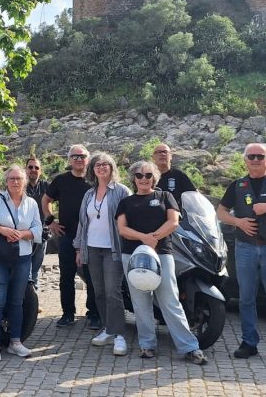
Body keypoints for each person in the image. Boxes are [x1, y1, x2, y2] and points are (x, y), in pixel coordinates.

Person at [116, 160, 207, 364]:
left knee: (170, 301)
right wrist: (144, 238)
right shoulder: (126, 202)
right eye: (139, 175)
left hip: (162, 254)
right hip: (132, 256)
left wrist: (154, 238)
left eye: (148, 175)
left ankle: (189, 347)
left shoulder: (165, 196)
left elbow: (173, 222)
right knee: (141, 303)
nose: (144, 179)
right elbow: (122, 229)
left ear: (154, 178)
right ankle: (147, 345)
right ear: (133, 178)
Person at [0, 165, 42, 362]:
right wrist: (2, 230)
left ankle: (15, 342)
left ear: (24, 181)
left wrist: (22, 234)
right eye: (11, 178)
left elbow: (38, 230)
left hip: (23, 257)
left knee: (17, 301)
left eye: (18, 178)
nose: (15, 182)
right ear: (6, 182)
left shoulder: (31, 203)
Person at [74, 152, 131, 356]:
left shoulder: (122, 191)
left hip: (113, 249)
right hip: (92, 248)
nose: (101, 167)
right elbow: (83, 223)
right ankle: (108, 329)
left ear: (112, 167)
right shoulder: (89, 194)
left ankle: (120, 335)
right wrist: (79, 248)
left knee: (113, 292)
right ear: (92, 170)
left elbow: (130, 219)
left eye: (105, 164)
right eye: (97, 164)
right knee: (98, 292)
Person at [41, 145, 100, 329]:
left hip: (91, 236)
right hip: (67, 235)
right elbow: (46, 200)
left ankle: (94, 314)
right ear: (69, 159)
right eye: (75, 156)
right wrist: (50, 221)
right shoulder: (61, 180)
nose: (79, 159)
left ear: (88, 159)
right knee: (66, 276)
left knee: (92, 276)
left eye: (82, 156)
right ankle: (68, 314)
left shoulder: (95, 180)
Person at [216, 142, 266, 359]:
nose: (255, 160)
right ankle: (249, 342)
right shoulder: (237, 185)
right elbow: (221, 212)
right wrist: (238, 222)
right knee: (246, 298)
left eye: (260, 156)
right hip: (245, 248)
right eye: (251, 156)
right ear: (245, 160)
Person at [25, 157, 49, 289]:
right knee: (24, 268)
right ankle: (25, 297)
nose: (33, 170)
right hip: (24, 233)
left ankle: (33, 297)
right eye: (30, 167)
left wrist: (51, 223)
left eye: (36, 167)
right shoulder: (19, 185)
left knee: (35, 269)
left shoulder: (47, 186)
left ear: (41, 171)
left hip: (42, 232)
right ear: (25, 169)